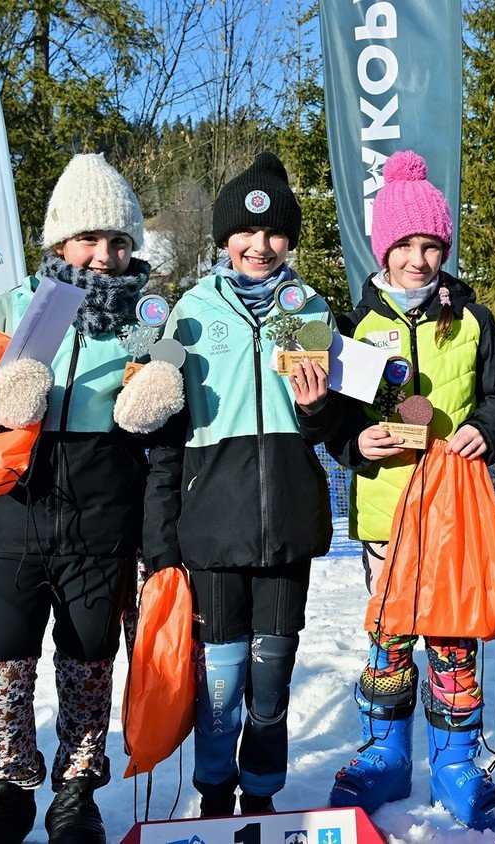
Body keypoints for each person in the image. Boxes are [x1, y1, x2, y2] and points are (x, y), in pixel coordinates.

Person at [0, 153, 183, 844]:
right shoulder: (2, 313)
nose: (105, 255)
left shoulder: (149, 320)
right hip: (9, 516)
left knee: (88, 666)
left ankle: (76, 795)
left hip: (102, 521)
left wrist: (156, 399)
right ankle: (7, 794)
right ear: (57, 242)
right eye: (88, 238)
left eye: (119, 240)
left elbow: (170, 415)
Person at [143, 152, 339, 817]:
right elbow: (165, 434)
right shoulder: (190, 313)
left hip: (287, 522)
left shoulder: (309, 308)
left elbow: (326, 424)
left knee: (271, 675)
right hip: (212, 526)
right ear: (224, 238)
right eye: (246, 232)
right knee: (220, 680)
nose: (260, 245)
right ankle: (213, 796)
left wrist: (317, 407)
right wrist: (160, 538)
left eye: (276, 233)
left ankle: (260, 794)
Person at [324, 150, 495, 835]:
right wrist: (355, 443)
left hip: (455, 512)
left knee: (454, 640)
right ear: (383, 248)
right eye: (404, 244)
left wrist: (487, 429)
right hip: (387, 514)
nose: (418, 259)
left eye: (431, 244)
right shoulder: (354, 324)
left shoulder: (473, 319)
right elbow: (335, 420)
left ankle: (457, 763)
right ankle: (386, 754)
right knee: (391, 637)